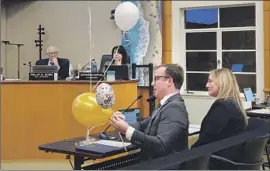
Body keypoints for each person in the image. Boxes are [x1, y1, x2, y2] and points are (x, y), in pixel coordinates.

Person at [110, 64, 189, 160]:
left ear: (169, 81)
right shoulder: (165, 105)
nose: (152, 83)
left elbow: (161, 145)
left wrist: (127, 130)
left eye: (156, 79)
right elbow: (143, 125)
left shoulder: (175, 108)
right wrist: (122, 124)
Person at [192, 68, 247, 160]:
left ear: (222, 83)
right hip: (229, 157)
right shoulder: (232, 103)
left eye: (210, 81)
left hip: (218, 159)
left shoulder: (223, 107)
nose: (206, 85)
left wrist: (190, 151)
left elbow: (208, 138)